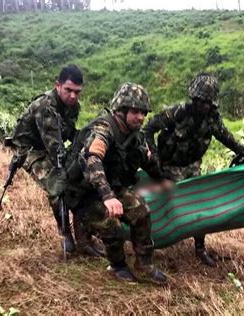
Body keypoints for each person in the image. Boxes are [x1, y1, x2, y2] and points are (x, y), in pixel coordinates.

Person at [64, 82, 170, 284]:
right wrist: (108, 196)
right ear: (121, 110)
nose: (141, 117)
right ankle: (117, 265)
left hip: (112, 189)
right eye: (136, 111)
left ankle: (144, 264)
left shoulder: (135, 136)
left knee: (141, 211)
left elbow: (150, 163)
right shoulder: (104, 129)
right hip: (84, 195)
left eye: (144, 113)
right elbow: (92, 159)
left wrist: (165, 179)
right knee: (111, 224)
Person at [144, 73, 244, 267]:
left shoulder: (212, 119)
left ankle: (200, 248)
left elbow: (225, 136)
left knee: (199, 205)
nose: (204, 106)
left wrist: (241, 150)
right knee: (162, 203)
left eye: (208, 102)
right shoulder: (176, 112)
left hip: (192, 166)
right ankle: (150, 241)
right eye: (200, 101)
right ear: (194, 98)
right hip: (169, 166)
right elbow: (148, 129)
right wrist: (154, 157)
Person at [10, 64, 102, 257]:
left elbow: (67, 134)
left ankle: (84, 238)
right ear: (57, 86)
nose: (73, 96)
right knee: (56, 183)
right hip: (30, 148)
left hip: (52, 144)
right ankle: (65, 233)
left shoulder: (73, 106)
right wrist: (67, 168)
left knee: (80, 178)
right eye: (68, 90)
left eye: (77, 92)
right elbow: (55, 149)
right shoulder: (45, 106)